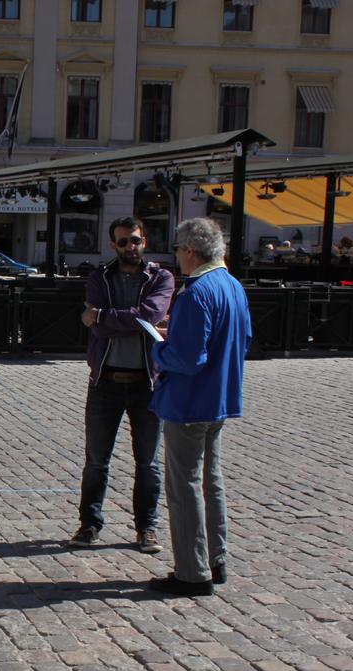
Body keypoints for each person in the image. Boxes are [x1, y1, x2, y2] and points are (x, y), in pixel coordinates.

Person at [148, 218, 251, 597]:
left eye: (177, 250)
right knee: (212, 480)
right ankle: (216, 558)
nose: (175, 257)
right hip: (221, 399)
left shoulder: (194, 293)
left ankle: (192, 572)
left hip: (190, 402)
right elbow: (245, 339)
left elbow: (188, 358)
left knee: (184, 485)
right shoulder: (233, 286)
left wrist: (158, 347)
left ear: (190, 251)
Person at [68, 217, 174, 555]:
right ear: (113, 245)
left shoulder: (161, 277)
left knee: (148, 462)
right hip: (105, 381)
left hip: (147, 383)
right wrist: (132, 321)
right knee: (96, 460)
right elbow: (128, 324)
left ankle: (147, 527)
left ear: (145, 242)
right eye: (124, 242)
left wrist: (102, 316)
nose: (131, 247)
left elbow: (151, 313)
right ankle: (90, 524)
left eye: (136, 241)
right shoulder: (99, 277)